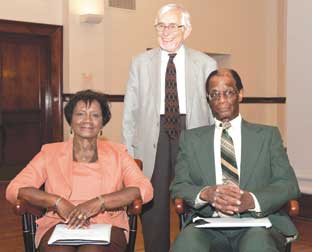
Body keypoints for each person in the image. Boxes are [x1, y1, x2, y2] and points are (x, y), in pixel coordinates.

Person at [6, 89, 153, 252]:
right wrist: (58, 203)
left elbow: (144, 189)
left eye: (95, 115)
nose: (87, 120)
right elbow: (15, 188)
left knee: (92, 249)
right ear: (71, 120)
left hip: (107, 224)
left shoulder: (118, 153)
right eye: (81, 114)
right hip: (58, 223)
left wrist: (99, 203)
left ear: (102, 122)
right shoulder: (50, 153)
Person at [170, 68, 300, 252]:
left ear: (240, 94)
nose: (221, 100)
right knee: (187, 244)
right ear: (208, 99)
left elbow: (288, 185)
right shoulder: (191, 140)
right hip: (208, 224)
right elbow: (179, 185)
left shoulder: (267, 136)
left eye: (228, 92)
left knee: (257, 245)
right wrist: (207, 193)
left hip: (257, 224)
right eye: (214, 94)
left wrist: (251, 200)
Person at [122, 4, 217, 252]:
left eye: (172, 25)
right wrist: (129, 153)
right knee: (152, 201)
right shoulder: (140, 62)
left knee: (194, 198)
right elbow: (130, 110)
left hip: (193, 133)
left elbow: (213, 110)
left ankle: (192, 246)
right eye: (160, 25)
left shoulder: (206, 64)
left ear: (186, 30)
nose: (165, 31)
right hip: (153, 136)